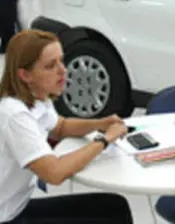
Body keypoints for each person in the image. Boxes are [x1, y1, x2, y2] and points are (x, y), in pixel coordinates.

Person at [0, 30, 133, 223]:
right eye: (50, 66)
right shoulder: (14, 115)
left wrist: (100, 124)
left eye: (61, 61)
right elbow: (55, 173)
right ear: (25, 75)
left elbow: (61, 126)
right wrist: (104, 139)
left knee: (114, 208)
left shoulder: (37, 96)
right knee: (111, 216)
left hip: (18, 207)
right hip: (8, 217)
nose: (63, 70)